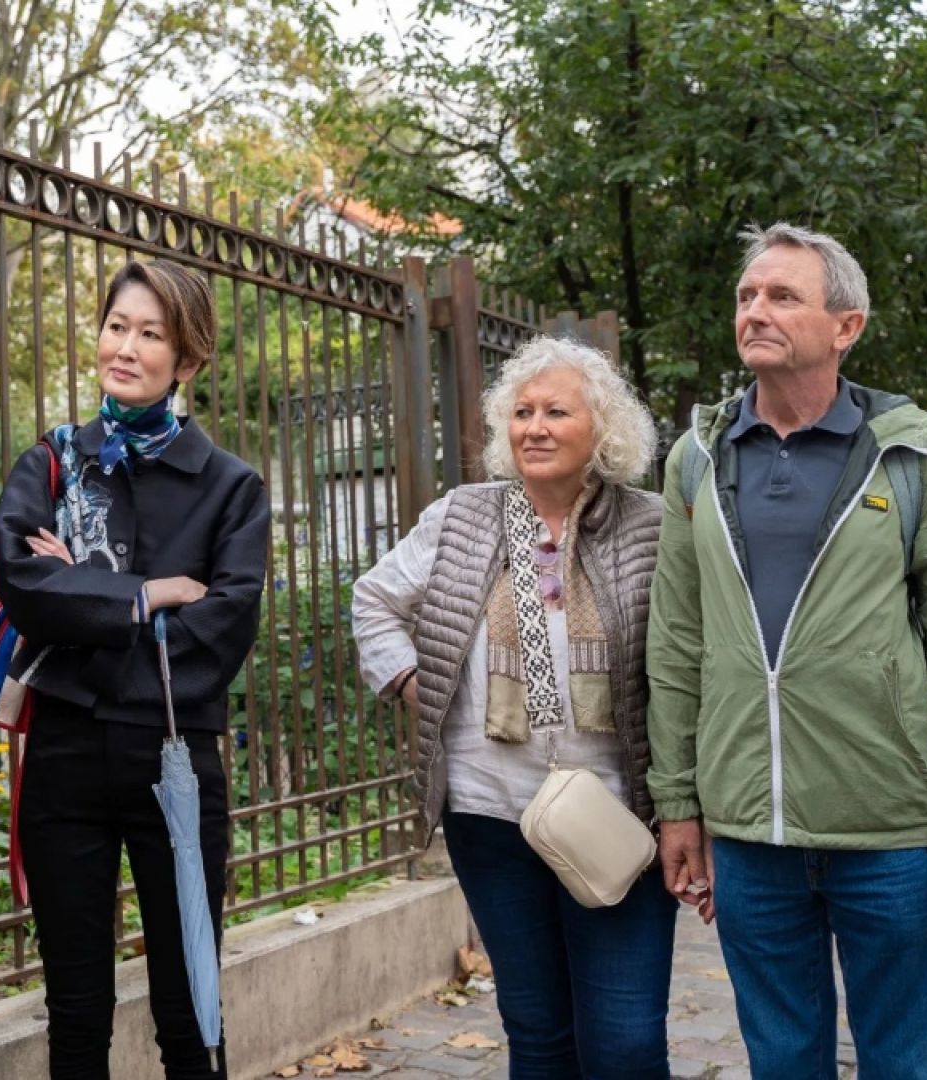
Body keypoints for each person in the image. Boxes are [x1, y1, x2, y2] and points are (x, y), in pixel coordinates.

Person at [648, 222, 927, 1079]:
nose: (756, 311)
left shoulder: (914, 455)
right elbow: (676, 642)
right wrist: (678, 803)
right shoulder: (696, 459)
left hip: (889, 828)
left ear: (845, 327)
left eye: (782, 296)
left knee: (906, 1065)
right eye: (747, 296)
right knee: (782, 1063)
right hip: (746, 829)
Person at [352, 336, 674, 1079]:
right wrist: (412, 682)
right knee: (536, 1031)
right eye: (521, 412)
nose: (534, 427)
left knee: (625, 1039)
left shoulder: (653, 525)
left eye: (556, 412)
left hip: (618, 814)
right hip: (489, 813)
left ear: (603, 430)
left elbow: (689, 659)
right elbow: (374, 599)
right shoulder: (464, 515)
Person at [0, 257, 270, 1079]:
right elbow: (26, 590)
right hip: (64, 760)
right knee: (75, 1013)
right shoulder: (52, 462)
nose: (127, 347)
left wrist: (88, 602)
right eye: (118, 326)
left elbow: (221, 630)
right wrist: (146, 597)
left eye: (152, 334)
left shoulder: (231, 488)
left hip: (175, 759)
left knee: (191, 1011)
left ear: (186, 360)